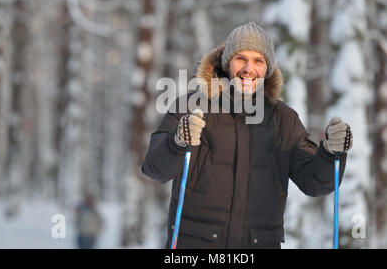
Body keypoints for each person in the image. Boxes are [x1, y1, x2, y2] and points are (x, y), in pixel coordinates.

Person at [142, 21, 353, 249]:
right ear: (227, 62)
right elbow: (155, 169)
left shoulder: (283, 120)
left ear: (267, 69)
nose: (248, 68)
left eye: (258, 61)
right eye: (240, 58)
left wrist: (331, 153)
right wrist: (176, 142)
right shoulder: (192, 106)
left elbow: (316, 183)